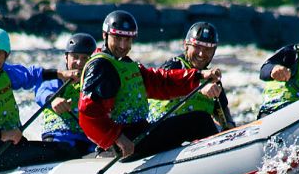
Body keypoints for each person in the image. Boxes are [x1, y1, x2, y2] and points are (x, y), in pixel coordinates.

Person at [78, 10, 221, 161]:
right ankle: (221, 162)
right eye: (118, 38)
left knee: (196, 120)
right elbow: (88, 112)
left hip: (141, 133)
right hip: (124, 143)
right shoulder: (101, 66)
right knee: (200, 121)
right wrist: (117, 138)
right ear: (105, 36)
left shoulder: (125, 63)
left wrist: (198, 76)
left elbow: (160, 81)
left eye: (127, 40)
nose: (123, 45)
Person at [0, 27, 79, 173]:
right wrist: (2, 135)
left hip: (13, 145)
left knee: (64, 148)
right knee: (66, 152)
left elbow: (29, 75)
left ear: (6, 55)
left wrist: (60, 74)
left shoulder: (4, 72)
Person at [148, 21, 235, 131]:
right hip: (158, 131)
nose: (201, 54)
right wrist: (199, 87)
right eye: (197, 47)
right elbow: (168, 81)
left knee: (206, 123)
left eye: (208, 49)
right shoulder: (174, 65)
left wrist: (229, 124)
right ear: (186, 45)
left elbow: (222, 110)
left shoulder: (212, 80)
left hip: (191, 138)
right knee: (202, 120)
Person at [33, 33, 98, 156]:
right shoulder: (57, 79)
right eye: (75, 56)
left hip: (88, 142)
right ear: (66, 57)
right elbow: (41, 92)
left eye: (85, 58)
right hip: (59, 139)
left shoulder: (97, 83)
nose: (79, 62)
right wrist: (53, 100)